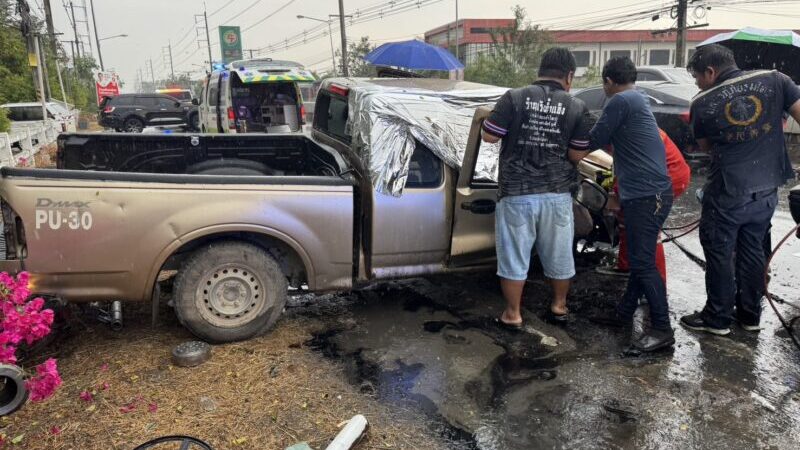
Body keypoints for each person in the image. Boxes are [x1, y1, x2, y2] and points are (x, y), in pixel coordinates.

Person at [680, 44, 800, 335]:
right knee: (753, 250)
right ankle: (750, 316)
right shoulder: (776, 80)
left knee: (720, 252)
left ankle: (717, 318)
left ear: (710, 72)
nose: (697, 83)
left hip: (727, 191)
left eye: (697, 77)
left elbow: (707, 147)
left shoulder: (702, 101)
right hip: (767, 189)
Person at [481, 47, 594, 328]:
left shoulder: (514, 97)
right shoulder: (577, 106)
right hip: (557, 194)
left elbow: (489, 137)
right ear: (569, 75)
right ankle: (558, 306)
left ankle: (512, 313)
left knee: (514, 256)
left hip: (517, 193)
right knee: (559, 254)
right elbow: (577, 155)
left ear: (540, 70)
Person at [570, 56, 674, 352]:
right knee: (641, 258)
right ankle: (623, 314)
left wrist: (566, 147)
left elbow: (594, 139)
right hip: (648, 192)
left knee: (642, 263)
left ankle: (663, 328)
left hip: (647, 195)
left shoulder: (620, 100)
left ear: (607, 81)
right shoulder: (636, 99)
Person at [596, 128, 691, 282]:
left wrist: (617, 193)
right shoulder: (629, 125)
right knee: (626, 217)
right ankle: (626, 266)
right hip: (662, 174)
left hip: (668, 177)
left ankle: (656, 286)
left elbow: (631, 170)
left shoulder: (627, 136)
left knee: (649, 231)